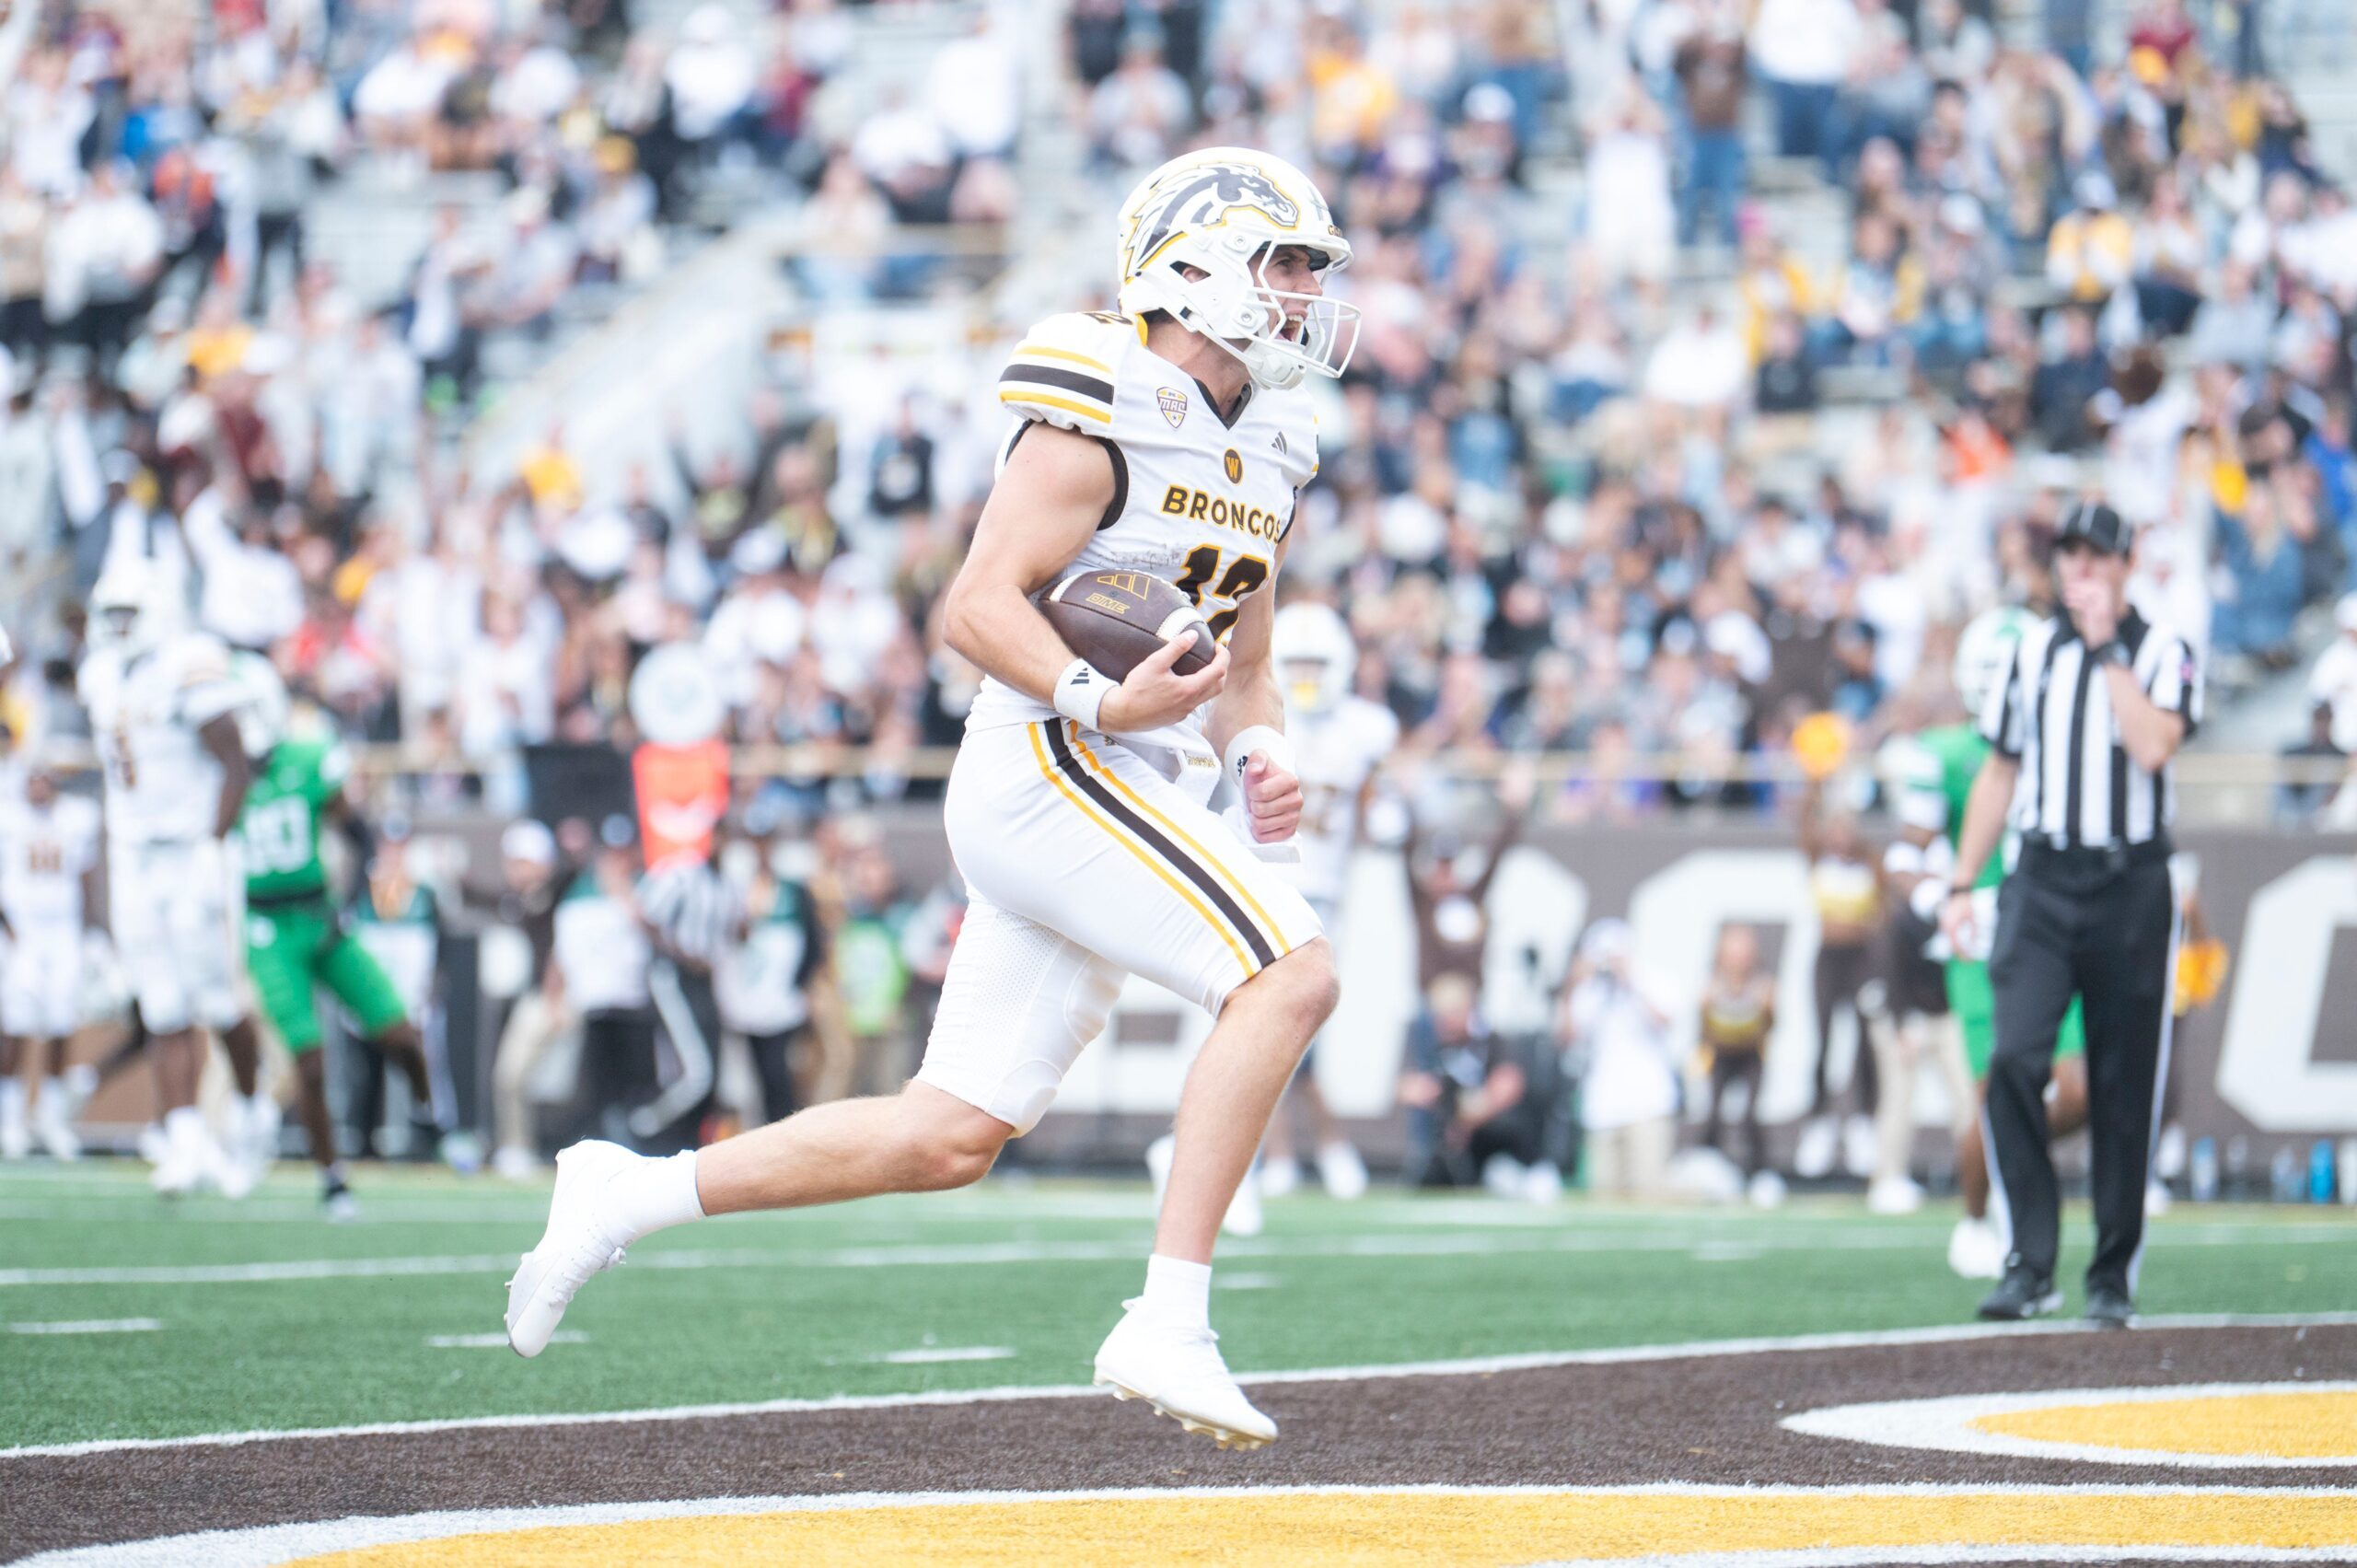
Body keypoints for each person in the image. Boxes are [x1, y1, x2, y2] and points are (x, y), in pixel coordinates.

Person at [505, 148, 1348, 1451]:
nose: (1306, 291)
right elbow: (974, 601)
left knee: (947, 1133)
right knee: (1288, 974)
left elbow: (1247, 668)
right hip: (1051, 759)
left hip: (1123, 769)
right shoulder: (1107, 388)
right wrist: (1097, 696)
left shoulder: (1279, 439)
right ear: (1199, 264)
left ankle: (630, 1191)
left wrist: (1255, 758)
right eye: (1287, 260)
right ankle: (1169, 1316)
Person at [1943, 501, 2201, 1328]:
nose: (2081, 571)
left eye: (2097, 557)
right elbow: (1999, 770)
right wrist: (1959, 880)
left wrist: (2106, 649)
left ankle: (2111, 1274)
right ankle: (2030, 1260)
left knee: (2124, 1084)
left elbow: (2153, 744)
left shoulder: (2164, 650)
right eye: (2071, 557)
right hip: (2042, 880)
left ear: (2126, 565)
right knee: (2014, 1059)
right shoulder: (2026, 655)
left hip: (2129, 883)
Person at [1915, 608, 2089, 1281]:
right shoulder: (1949, 752)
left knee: (2077, 1091)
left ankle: (2010, 1164)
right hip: (1985, 943)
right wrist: (1947, 896)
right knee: (1996, 1093)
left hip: (2054, 934)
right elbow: (1906, 848)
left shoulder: (2068, 743)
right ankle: (1973, 1213)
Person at [76, 558, 255, 1197]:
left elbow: (237, 762)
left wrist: (213, 842)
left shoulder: (188, 662)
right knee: (161, 1004)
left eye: (129, 613)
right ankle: (184, 1139)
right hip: (135, 851)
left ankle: (248, 1116)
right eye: (112, 614)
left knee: (216, 997)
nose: (118, 626)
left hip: (189, 848)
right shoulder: (100, 674)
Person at [236, 663, 439, 1216]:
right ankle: (332, 1177)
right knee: (310, 1059)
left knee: (399, 1031)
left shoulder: (304, 761)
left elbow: (357, 833)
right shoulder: (217, 778)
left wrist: (344, 906)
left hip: (319, 917)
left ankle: (428, 1111)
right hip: (266, 931)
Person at [1251, 602, 1391, 1201]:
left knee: (1297, 1032)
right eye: (1297, 663)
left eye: (1317, 663)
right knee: (1274, 1031)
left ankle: (1304, 1153)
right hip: (1263, 885)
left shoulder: (1365, 729)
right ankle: (1297, 1154)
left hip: (1326, 893)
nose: (1306, 676)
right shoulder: (1258, 714)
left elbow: (1380, 810)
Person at [0, 758, 100, 1160]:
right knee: (15, 1026)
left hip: (63, 933)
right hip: (21, 933)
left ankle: (52, 1119)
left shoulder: (78, 818)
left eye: (45, 778)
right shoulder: (8, 817)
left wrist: (95, 932)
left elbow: (88, 875)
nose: (38, 786)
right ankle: (10, 1121)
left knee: (61, 1023)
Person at [1793, 776, 1879, 1180]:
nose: (1840, 836)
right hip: (1828, 959)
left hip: (1860, 958)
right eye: (1835, 828)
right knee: (1824, 1040)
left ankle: (1864, 1122)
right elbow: (1802, 823)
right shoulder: (1818, 859)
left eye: (1847, 828)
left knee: (1865, 1042)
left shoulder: (1868, 863)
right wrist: (1818, 780)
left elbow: (1882, 908)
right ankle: (1820, 1123)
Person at [1563, 919, 1678, 1201]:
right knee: (1603, 1196)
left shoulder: (1650, 980)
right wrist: (1572, 985)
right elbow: (1567, 1037)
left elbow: (1665, 1019)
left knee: (1649, 1193)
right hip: (1602, 1107)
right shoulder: (1590, 992)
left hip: (1647, 1104)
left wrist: (1629, 979)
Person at [1696, 922, 1775, 1202]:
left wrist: (1764, 1006)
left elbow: (1771, 1022)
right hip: (1721, 1053)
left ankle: (1760, 1174)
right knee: (1713, 1112)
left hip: (1750, 1054)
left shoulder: (1762, 981)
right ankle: (1711, 1168)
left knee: (1750, 1115)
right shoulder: (1713, 981)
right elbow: (1703, 1025)